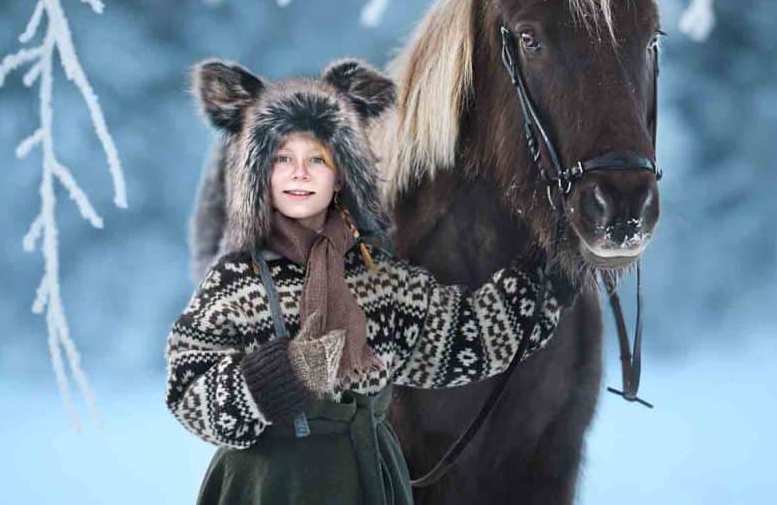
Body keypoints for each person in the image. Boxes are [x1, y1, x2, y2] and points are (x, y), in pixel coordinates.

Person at [164, 57, 577, 505]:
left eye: (316, 159)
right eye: (283, 159)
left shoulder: (380, 282)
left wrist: (547, 271)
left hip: (365, 479)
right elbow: (190, 391)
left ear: (341, 172)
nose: (299, 173)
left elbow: (468, 338)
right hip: (268, 485)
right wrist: (283, 375)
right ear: (260, 174)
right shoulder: (237, 281)